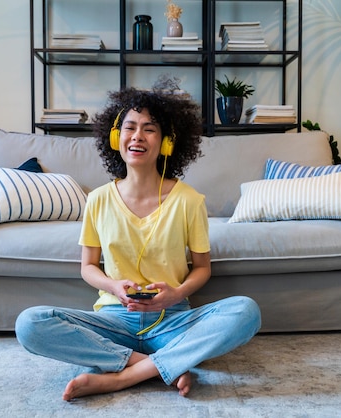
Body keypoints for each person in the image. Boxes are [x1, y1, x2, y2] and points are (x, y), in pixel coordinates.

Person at [15, 87, 261, 401]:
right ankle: (159, 366)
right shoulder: (98, 199)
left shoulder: (189, 200)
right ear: (116, 138)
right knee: (30, 324)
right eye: (129, 128)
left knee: (246, 311)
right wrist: (114, 286)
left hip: (172, 319)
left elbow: (201, 269)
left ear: (167, 142)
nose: (137, 136)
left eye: (149, 129)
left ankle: (121, 377)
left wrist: (176, 294)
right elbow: (88, 267)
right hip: (114, 318)